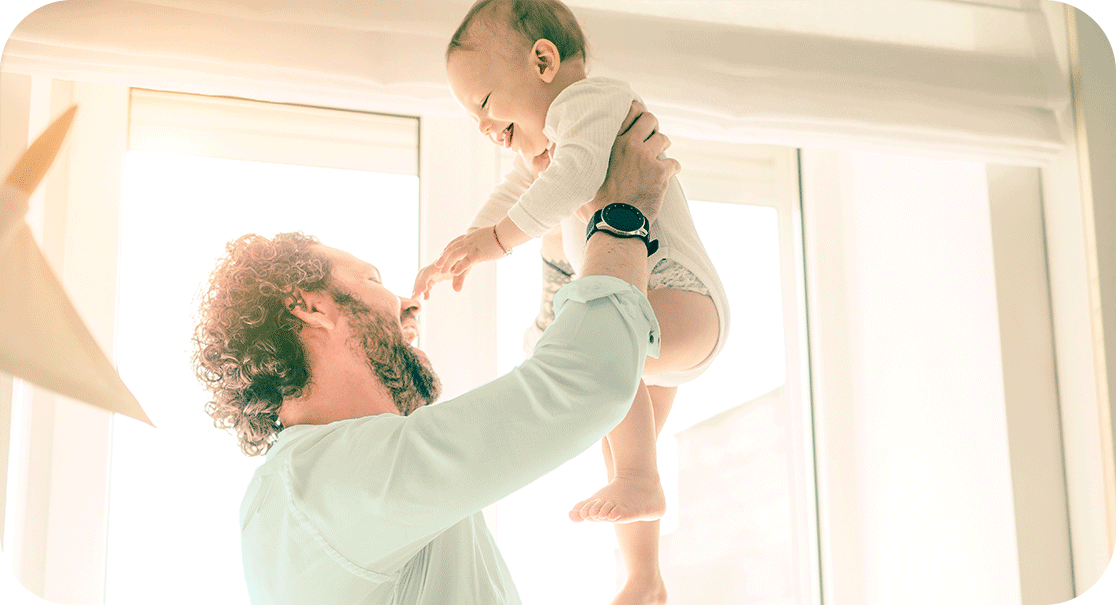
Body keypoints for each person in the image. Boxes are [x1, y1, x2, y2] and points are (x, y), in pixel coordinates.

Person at [191, 106, 675, 604]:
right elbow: (583, 383)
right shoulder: (324, 484)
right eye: (373, 280)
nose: (412, 302)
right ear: (310, 307)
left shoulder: (348, 492)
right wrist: (622, 215)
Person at [411, 1, 729, 602]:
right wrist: (468, 244)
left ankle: (640, 484)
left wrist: (496, 241)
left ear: (542, 60)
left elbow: (577, 176)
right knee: (612, 418)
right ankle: (644, 576)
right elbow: (520, 188)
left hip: (678, 298)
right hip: (662, 313)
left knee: (605, 358)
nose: (481, 125)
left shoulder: (589, 103)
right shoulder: (550, 144)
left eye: (483, 103)